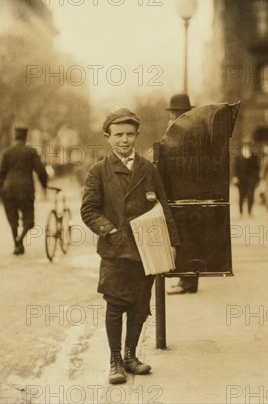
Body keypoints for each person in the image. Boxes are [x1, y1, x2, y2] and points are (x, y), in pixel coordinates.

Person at [81, 108, 179, 385]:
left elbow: (164, 207)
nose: (124, 140)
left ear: (137, 135)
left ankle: (130, 356)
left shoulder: (149, 170)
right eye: (119, 134)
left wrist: (173, 242)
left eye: (130, 134)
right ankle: (114, 361)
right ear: (108, 137)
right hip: (115, 250)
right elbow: (88, 210)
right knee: (115, 306)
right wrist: (110, 231)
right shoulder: (98, 171)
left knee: (139, 306)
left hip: (145, 249)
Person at [162, 94, 198, 295]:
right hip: (183, 192)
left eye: (175, 113)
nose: (173, 117)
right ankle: (186, 279)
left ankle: (188, 281)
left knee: (186, 238)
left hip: (184, 192)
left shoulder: (184, 132)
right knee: (185, 237)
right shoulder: (186, 130)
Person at [0, 126, 48, 255]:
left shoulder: (7, 152)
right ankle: (20, 240)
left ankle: (16, 244)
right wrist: (44, 185)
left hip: (9, 190)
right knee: (28, 220)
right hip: (26, 191)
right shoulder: (31, 152)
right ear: (25, 137)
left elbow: (0, 174)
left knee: (13, 219)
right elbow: (40, 170)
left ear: (15, 137)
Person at [232, 142, 260, 216]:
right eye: (245, 147)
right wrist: (235, 177)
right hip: (241, 180)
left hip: (251, 180)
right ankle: (241, 212)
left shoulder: (254, 157)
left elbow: (257, 169)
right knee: (241, 196)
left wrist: (256, 179)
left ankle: (249, 211)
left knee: (251, 196)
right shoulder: (238, 157)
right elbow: (235, 168)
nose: (246, 149)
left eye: (247, 147)